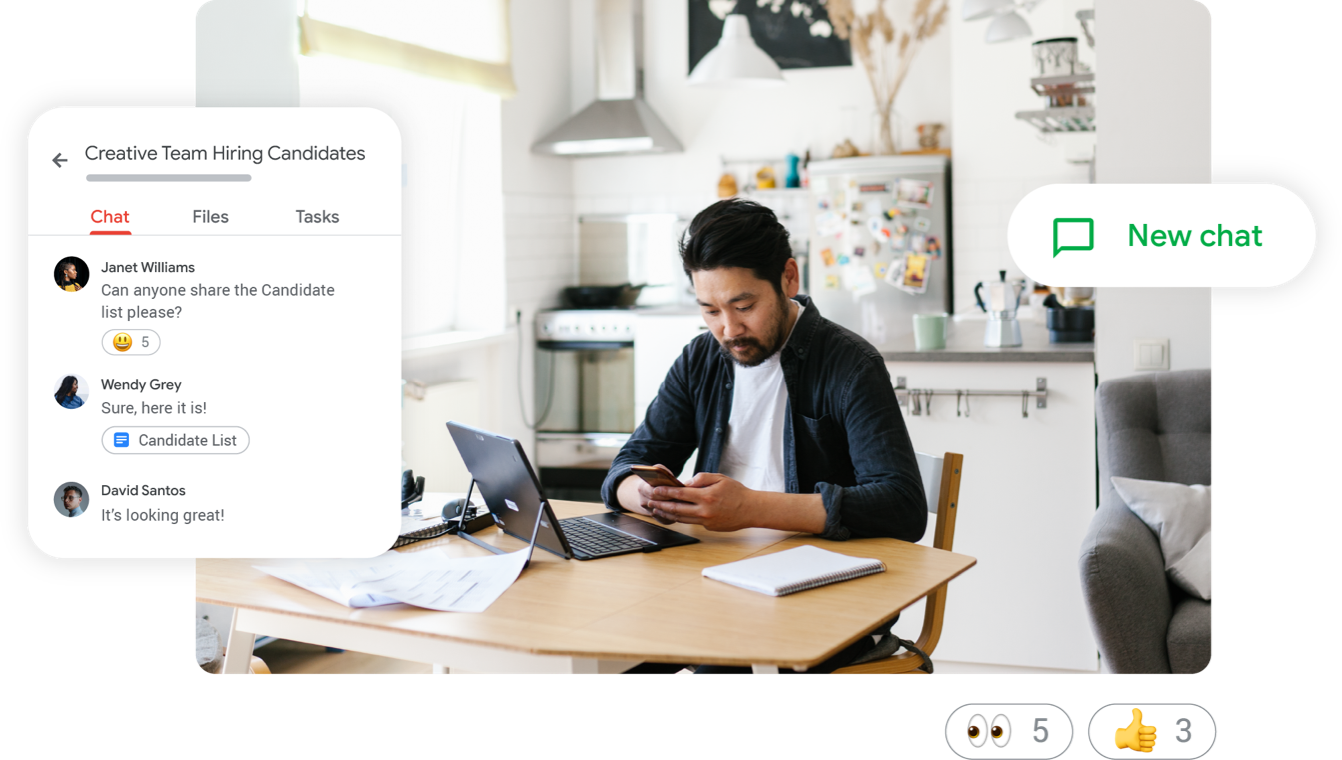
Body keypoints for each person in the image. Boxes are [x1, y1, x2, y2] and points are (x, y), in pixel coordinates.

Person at [603, 199, 926, 674]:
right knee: (610, 658)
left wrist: (750, 508)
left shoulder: (851, 365)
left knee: (704, 658)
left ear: (789, 279)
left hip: (823, 599)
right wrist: (647, 493)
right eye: (710, 310)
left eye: (744, 305)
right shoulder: (700, 360)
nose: (728, 330)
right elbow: (626, 466)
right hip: (715, 581)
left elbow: (901, 506)